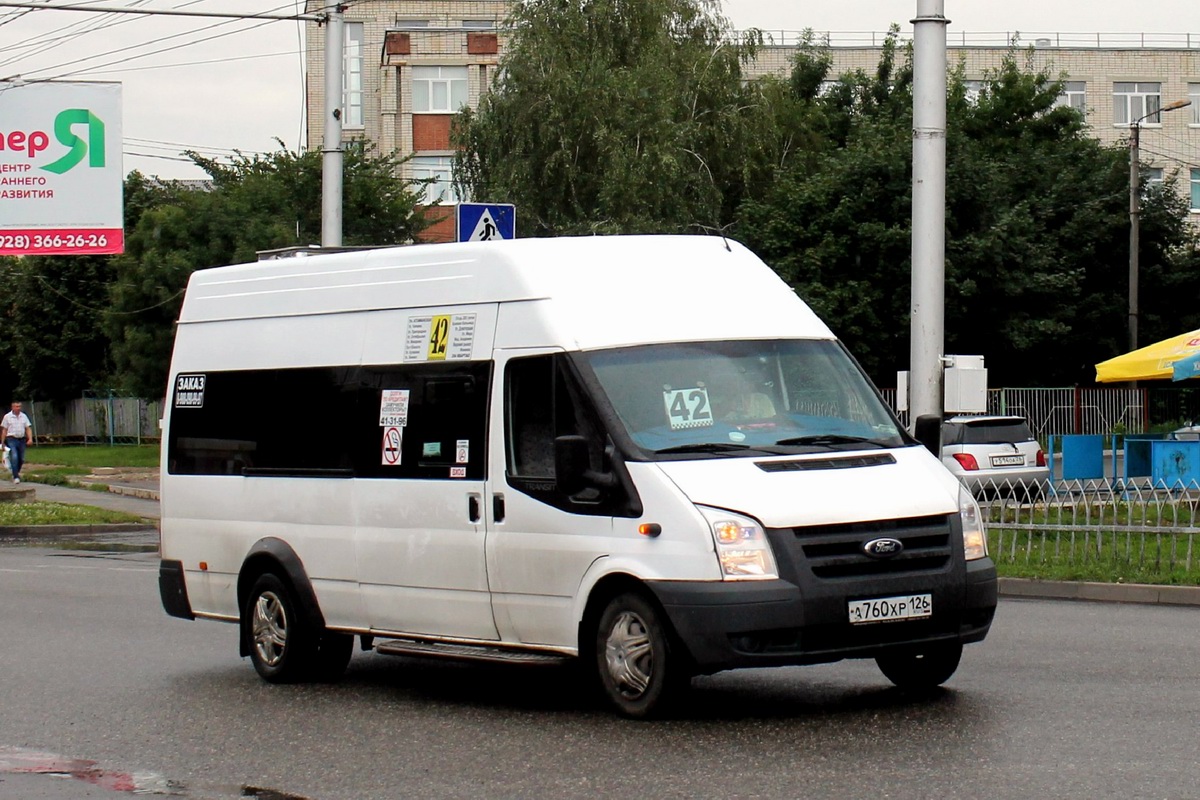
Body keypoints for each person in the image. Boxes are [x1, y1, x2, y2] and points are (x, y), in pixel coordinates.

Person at [1, 401, 32, 484]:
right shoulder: (7, 417)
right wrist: (2, 442)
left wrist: (30, 439)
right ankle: (16, 477)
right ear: (12, 407)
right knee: (14, 456)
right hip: (11, 439)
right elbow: (4, 430)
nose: (18, 408)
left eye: (19, 406)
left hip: (22, 439)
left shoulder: (23, 416)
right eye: (16, 406)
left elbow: (28, 428)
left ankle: (15, 472)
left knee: (21, 459)